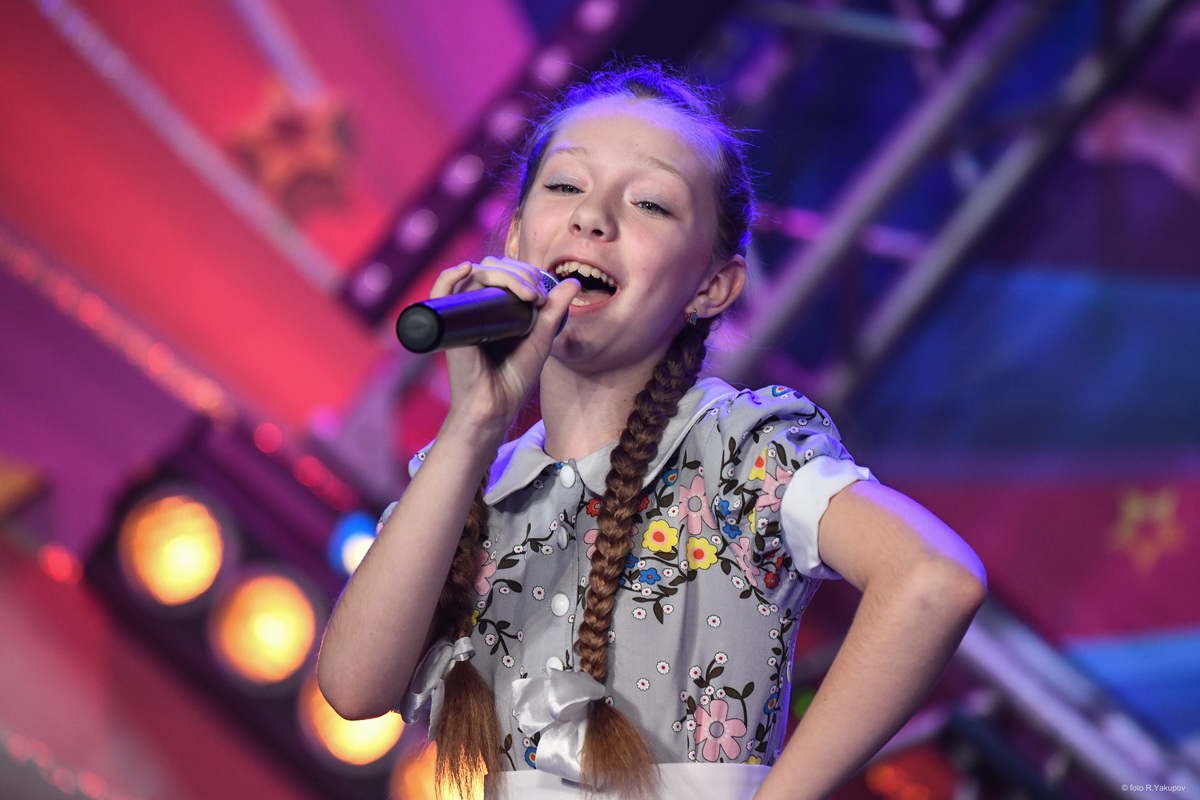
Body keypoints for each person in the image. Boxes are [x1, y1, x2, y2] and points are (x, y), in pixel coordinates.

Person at [317, 62, 987, 800]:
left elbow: (933, 581)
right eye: (565, 186)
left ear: (712, 286)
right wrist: (474, 423)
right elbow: (353, 687)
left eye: (649, 203)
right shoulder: (467, 485)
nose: (592, 218)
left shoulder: (740, 451)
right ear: (515, 238)